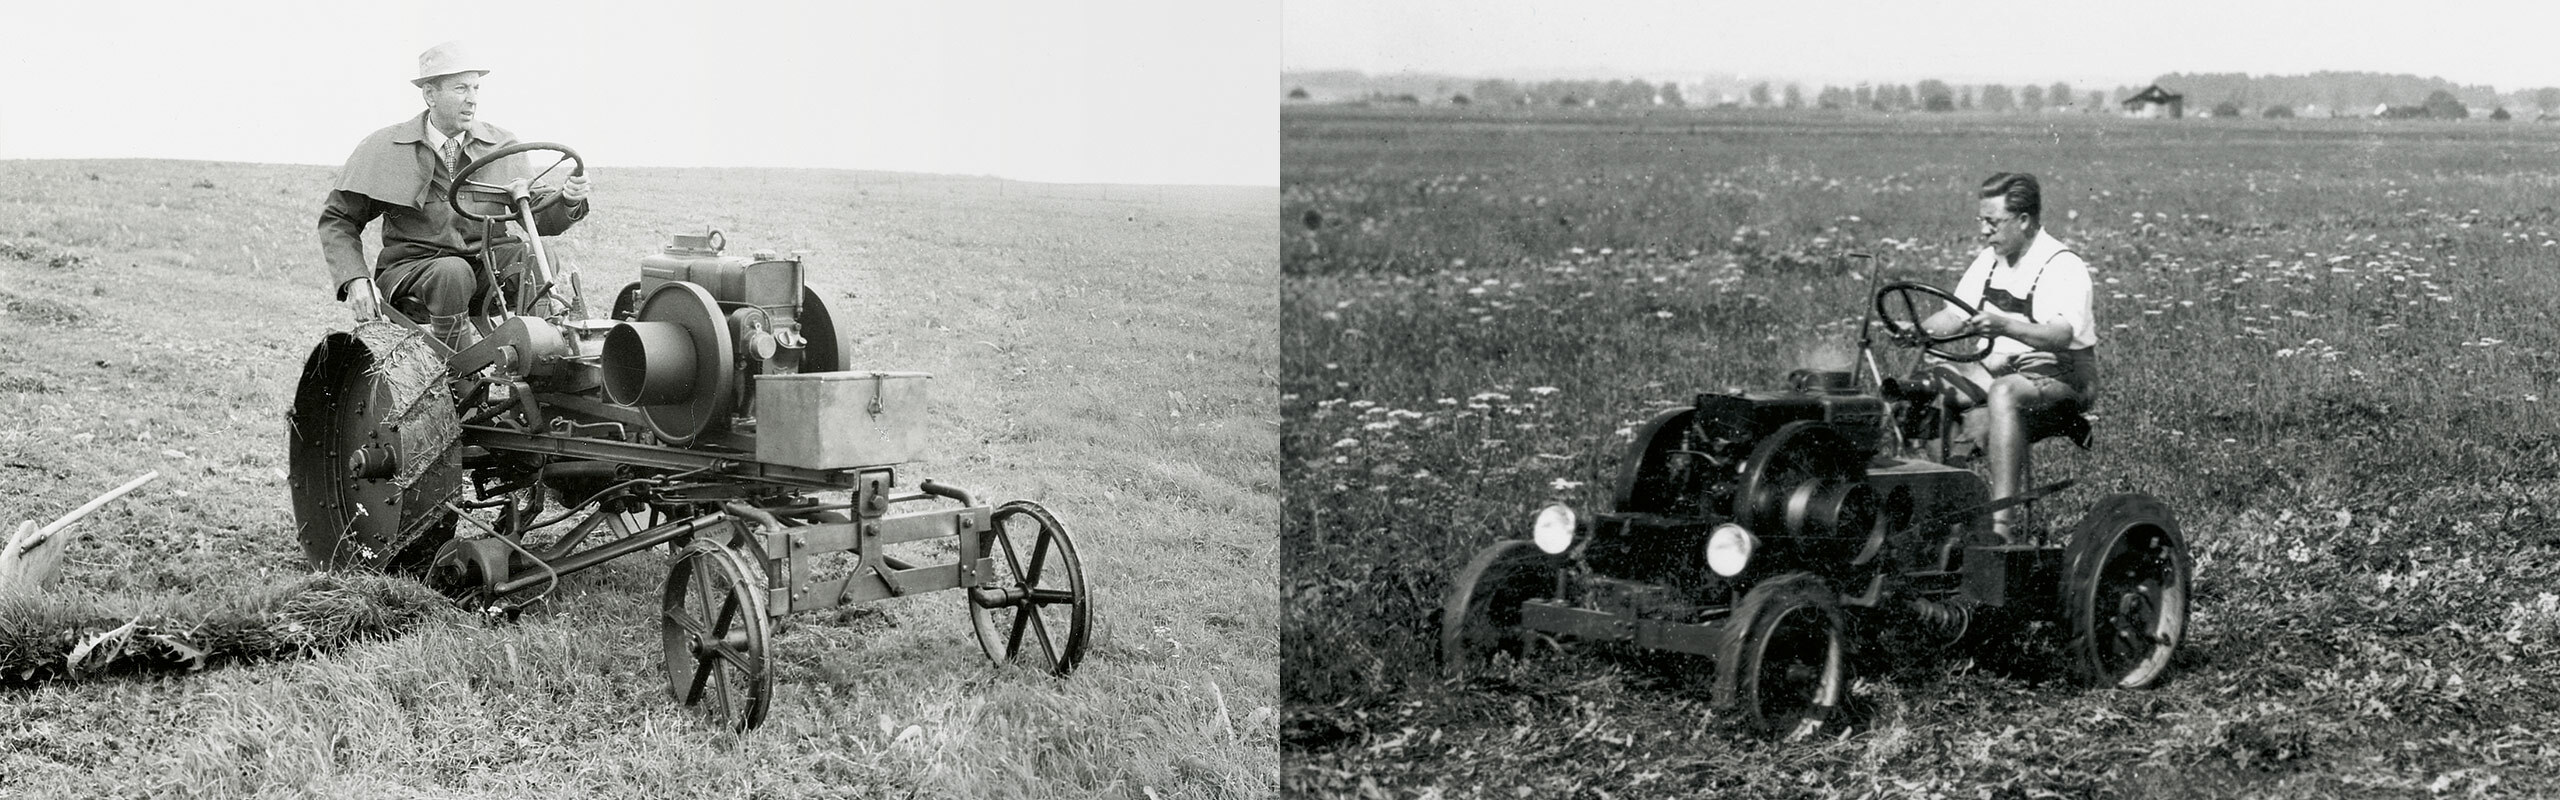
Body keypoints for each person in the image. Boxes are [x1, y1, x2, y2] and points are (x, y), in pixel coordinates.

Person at [318, 40, 593, 347]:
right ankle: (456, 378)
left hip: (485, 266)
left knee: (532, 256)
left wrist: (568, 200)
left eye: (476, 88)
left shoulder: (501, 144)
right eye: (461, 88)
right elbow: (338, 220)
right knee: (452, 272)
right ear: (430, 94)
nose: (472, 99)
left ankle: (541, 359)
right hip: (414, 269)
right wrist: (355, 278)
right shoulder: (385, 148)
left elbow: (539, 216)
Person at [1919, 172, 2099, 537]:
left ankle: (2001, 524)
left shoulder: (2063, 264)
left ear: (2024, 220)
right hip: (1999, 366)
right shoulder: (1989, 260)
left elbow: (2061, 335)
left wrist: (2004, 327)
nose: (1984, 231)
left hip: (2062, 372)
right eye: (1981, 221)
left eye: (1993, 222)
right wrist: (1918, 330)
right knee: (1927, 387)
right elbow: (1956, 314)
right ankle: (1948, 509)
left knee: (2004, 393)